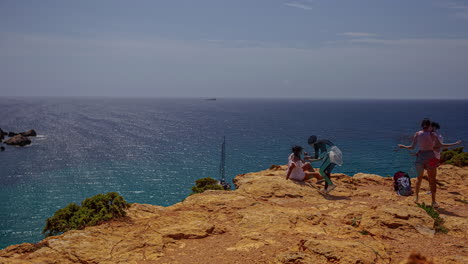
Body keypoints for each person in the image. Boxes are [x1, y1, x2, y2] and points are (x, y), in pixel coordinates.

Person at [398, 118, 443, 208]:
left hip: (420, 157)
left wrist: (403, 146)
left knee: (419, 178)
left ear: (422, 125)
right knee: (432, 180)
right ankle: (433, 202)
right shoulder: (433, 134)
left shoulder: (417, 134)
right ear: (430, 126)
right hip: (430, 156)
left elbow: (412, 147)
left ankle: (417, 198)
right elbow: (439, 146)